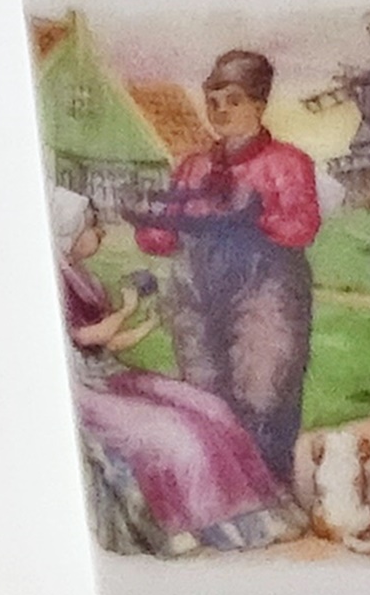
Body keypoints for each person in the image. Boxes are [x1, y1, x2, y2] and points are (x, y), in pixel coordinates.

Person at [52, 186, 304, 556]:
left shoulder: (85, 279)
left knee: (211, 410)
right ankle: (201, 525)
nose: (100, 232)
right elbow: (86, 337)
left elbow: (109, 344)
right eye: (91, 226)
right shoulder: (57, 283)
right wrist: (127, 309)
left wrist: (149, 323)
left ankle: (253, 514)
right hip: (86, 386)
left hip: (110, 372)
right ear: (67, 234)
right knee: (175, 435)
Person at [129, 50, 321, 485]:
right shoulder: (193, 168)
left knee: (263, 393)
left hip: (266, 293)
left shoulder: (286, 163)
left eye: (233, 100)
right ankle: (221, 495)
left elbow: (303, 227)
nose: (220, 111)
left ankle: (270, 492)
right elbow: (164, 237)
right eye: (213, 101)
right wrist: (146, 222)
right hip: (197, 296)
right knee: (203, 396)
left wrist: (255, 213)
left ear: (259, 104)